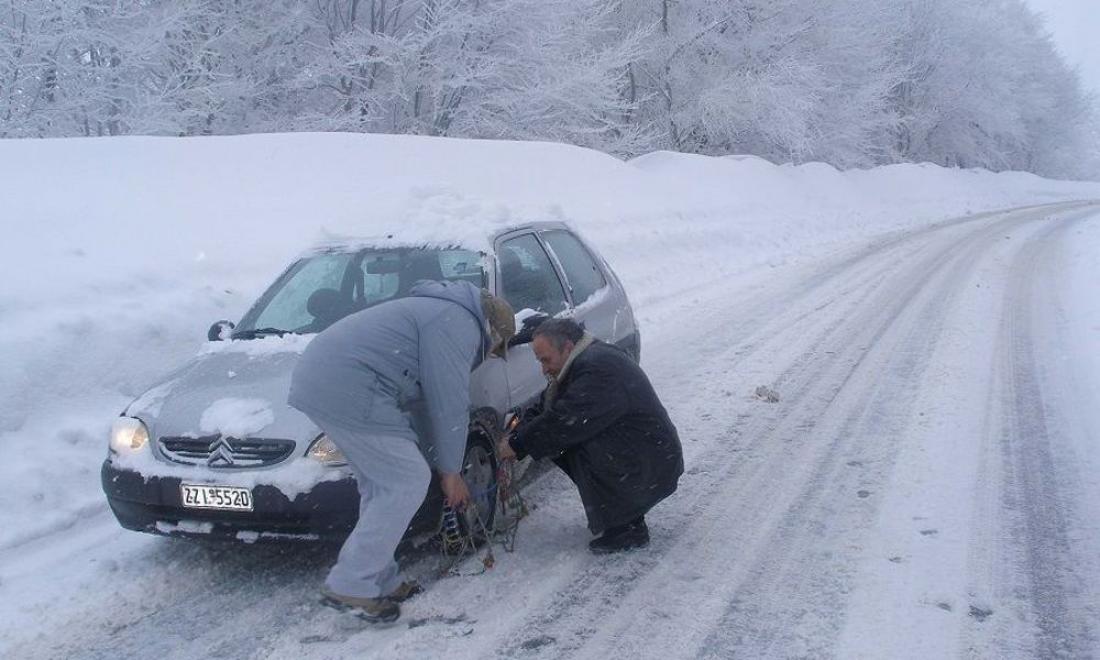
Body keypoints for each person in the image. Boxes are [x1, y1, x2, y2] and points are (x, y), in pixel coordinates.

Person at [288, 279, 515, 623]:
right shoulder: (458, 323)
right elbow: (448, 401)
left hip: (326, 378)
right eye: (498, 346)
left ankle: (379, 577)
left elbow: (423, 404)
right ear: (492, 329)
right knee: (407, 480)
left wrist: (441, 462)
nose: (491, 353)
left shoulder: (440, 311)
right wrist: (451, 473)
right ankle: (351, 583)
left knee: (382, 486)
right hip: (350, 384)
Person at [498, 318, 683, 554]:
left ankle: (627, 527)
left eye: (546, 360)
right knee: (559, 439)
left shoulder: (598, 369)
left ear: (566, 347)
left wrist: (517, 443)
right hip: (642, 452)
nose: (543, 369)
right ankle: (624, 514)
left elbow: (564, 419)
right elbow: (548, 406)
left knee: (573, 438)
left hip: (650, 460)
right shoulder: (582, 359)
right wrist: (517, 431)